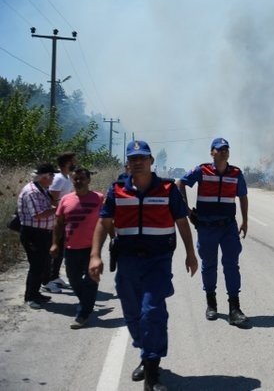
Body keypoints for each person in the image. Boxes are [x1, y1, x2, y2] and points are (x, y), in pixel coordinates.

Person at [89, 140, 198, 391]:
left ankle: (151, 374)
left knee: (152, 312)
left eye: (142, 158)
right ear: (127, 162)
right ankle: (146, 351)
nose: (137, 162)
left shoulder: (168, 189)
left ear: (151, 161)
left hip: (157, 262)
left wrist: (190, 253)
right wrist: (95, 255)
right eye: (133, 158)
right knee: (132, 314)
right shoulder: (117, 190)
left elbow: (182, 222)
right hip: (127, 261)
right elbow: (102, 222)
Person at [177, 137, 250, 327]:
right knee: (209, 265)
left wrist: (245, 220)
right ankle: (211, 304)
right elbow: (180, 183)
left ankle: (235, 308)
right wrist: (185, 210)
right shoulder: (202, 170)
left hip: (228, 227)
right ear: (212, 152)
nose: (224, 151)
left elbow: (242, 196)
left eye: (226, 149)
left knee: (231, 265)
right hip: (206, 227)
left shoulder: (235, 173)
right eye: (220, 149)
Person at [51, 167, 103, 329]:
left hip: (91, 248)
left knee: (91, 280)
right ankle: (86, 303)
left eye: (81, 178)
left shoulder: (99, 199)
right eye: (75, 179)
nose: (78, 181)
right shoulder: (65, 200)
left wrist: (114, 237)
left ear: (88, 180)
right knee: (73, 280)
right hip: (71, 248)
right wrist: (54, 243)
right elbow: (58, 224)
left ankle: (84, 314)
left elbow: (106, 222)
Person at [17, 163, 59, 309]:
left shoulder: (42, 189)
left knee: (42, 264)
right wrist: (57, 209)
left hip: (42, 233)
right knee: (36, 265)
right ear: (44, 177)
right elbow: (39, 215)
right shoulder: (32, 192)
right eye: (52, 175)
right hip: (33, 234)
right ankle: (30, 297)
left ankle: (36, 294)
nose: (54, 178)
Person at [45, 151, 77, 294]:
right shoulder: (58, 178)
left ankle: (55, 276)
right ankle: (47, 280)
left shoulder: (67, 177)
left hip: (65, 219)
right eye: (73, 161)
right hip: (57, 220)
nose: (75, 163)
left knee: (61, 249)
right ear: (67, 163)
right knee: (54, 247)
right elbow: (53, 199)